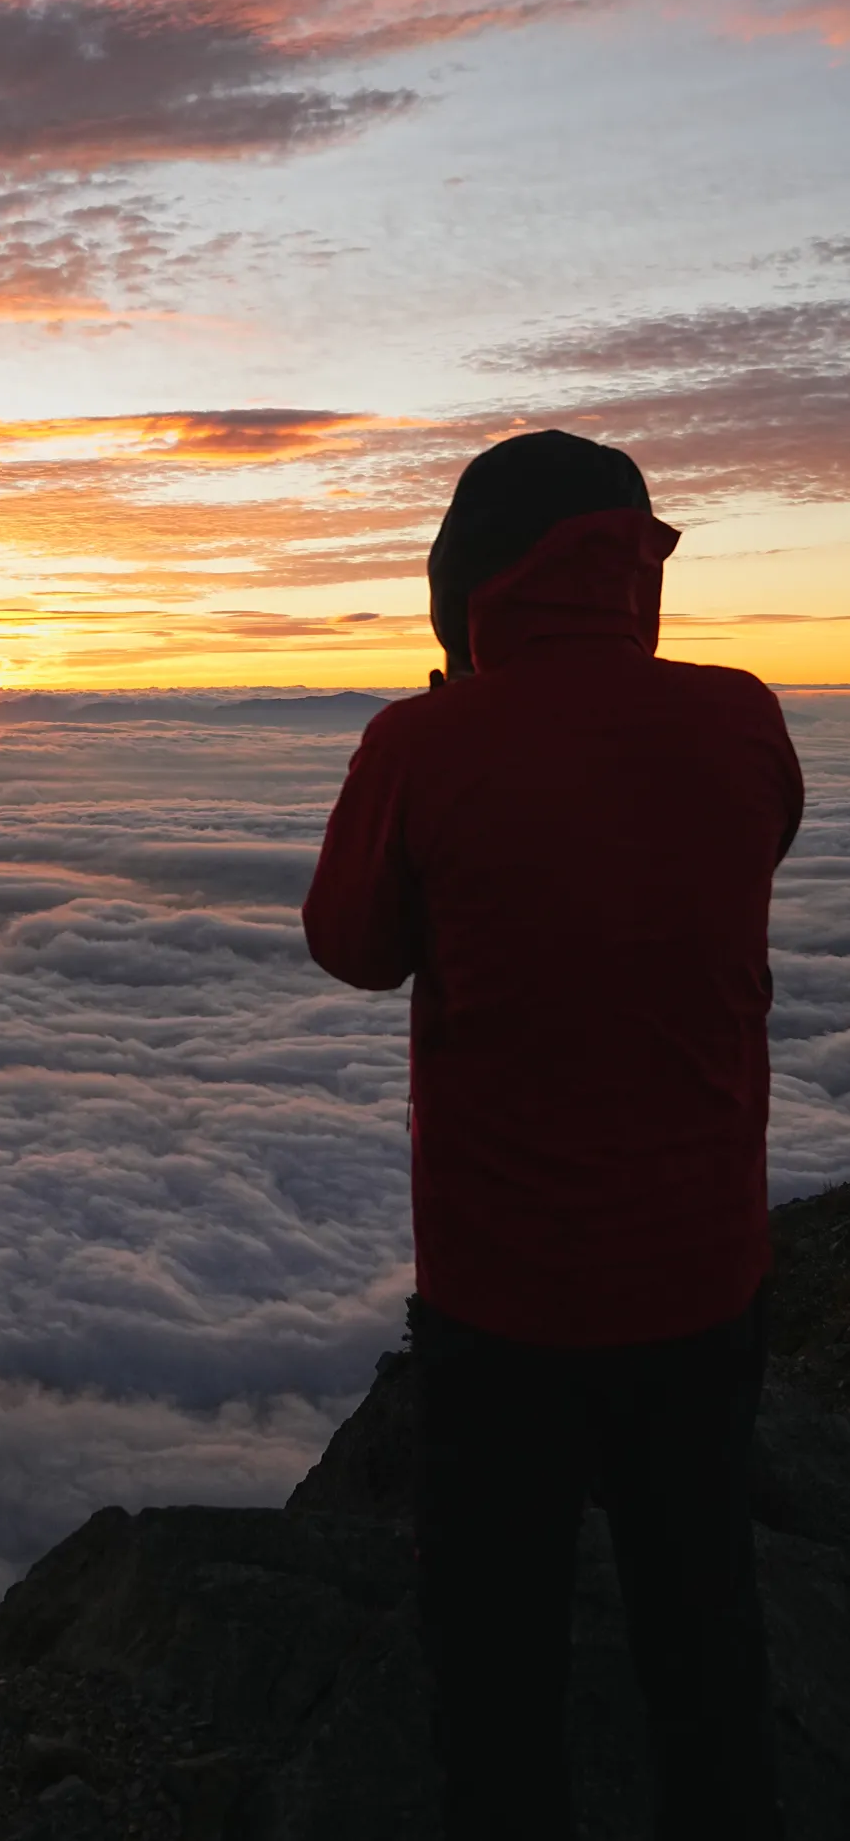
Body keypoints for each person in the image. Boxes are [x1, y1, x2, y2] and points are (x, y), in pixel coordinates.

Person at [302, 429, 804, 1841]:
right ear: (637, 571)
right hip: (706, 1281)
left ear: (468, 587)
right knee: (703, 1614)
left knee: (496, 1655)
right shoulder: (745, 718)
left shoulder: (421, 742)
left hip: (503, 1296)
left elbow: (353, 948)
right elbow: (740, 850)